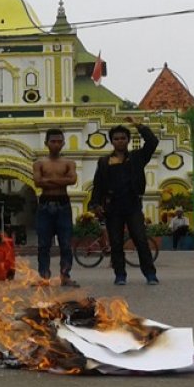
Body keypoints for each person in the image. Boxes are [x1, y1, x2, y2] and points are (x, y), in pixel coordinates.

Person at [90, 117, 159, 285]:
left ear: (128, 140)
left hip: (133, 205)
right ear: (112, 142)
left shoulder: (137, 157)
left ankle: (150, 274)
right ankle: (120, 275)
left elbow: (152, 142)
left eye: (123, 138)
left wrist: (139, 125)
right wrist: (95, 204)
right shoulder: (104, 161)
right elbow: (98, 184)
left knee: (141, 240)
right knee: (116, 242)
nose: (120, 141)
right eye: (116, 138)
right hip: (113, 208)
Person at [33, 128, 79, 287]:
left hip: (63, 204)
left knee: (66, 243)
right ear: (46, 143)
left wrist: (49, 180)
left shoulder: (69, 163)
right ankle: (44, 276)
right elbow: (37, 182)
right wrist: (62, 180)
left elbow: (73, 180)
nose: (56, 144)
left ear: (64, 143)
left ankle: (65, 275)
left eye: (59, 141)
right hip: (45, 204)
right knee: (43, 244)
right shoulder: (39, 163)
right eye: (53, 141)